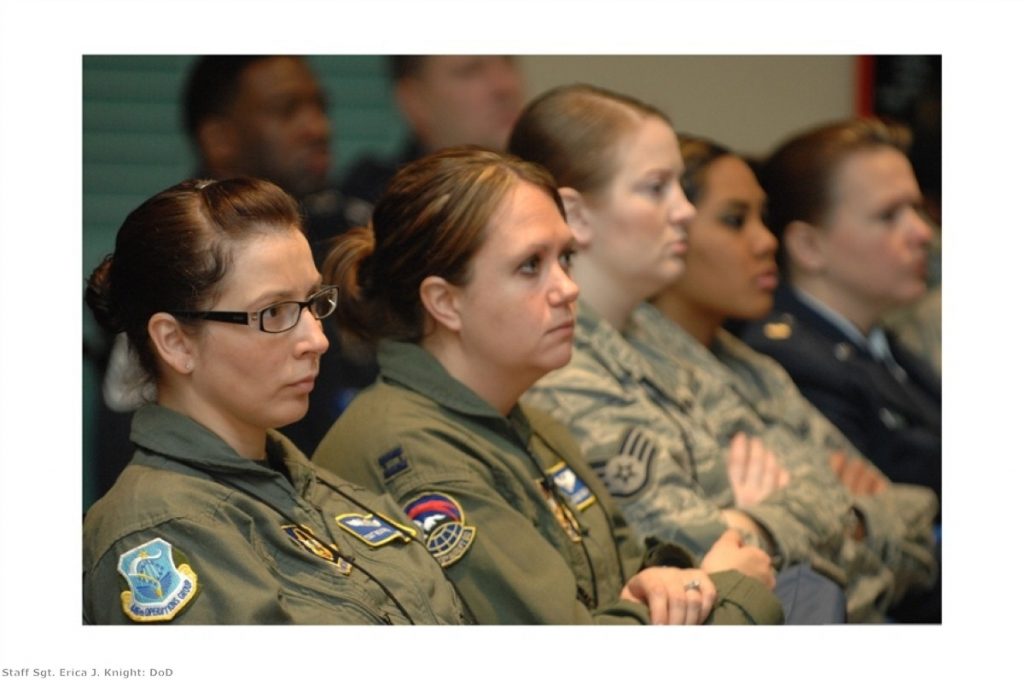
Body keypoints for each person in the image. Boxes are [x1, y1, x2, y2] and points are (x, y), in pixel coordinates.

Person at [314, 147, 785, 625]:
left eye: (566, 258)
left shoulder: (535, 426)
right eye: (529, 266)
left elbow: (625, 589)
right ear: (444, 303)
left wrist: (669, 582)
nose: (568, 288)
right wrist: (730, 588)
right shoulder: (416, 454)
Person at [508, 84, 881, 620]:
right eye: (656, 188)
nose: (684, 211)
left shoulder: (665, 338)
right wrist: (814, 518)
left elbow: (900, 508)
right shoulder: (554, 367)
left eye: (681, 188)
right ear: (576, 215)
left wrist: (756, 519)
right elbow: (710, 559)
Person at [82, 177, 470, 624]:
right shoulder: (160, 536)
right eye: (274, 312)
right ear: (175, 343)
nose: (317, 340)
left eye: (313, 303)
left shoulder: (320, 489)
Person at [627, 134, 939, 621]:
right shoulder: (636, 373)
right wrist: (837, 515)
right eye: (735, 221)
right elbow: (724, 575)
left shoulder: (754, 367)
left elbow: (915, 518)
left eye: (762, 218)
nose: (766, 241)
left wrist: (794, 519)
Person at [742, 118, 941, 500]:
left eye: (916, 209)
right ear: (808, 247)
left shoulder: (883, 345)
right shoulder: (792, 363)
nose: (922, 233)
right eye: (889, 215)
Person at [340, 56, 525, 206]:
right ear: (413, 99)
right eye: (469, 70)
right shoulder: (376, 203)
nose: (504, 86)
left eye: (508, 60)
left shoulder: (548, 176)